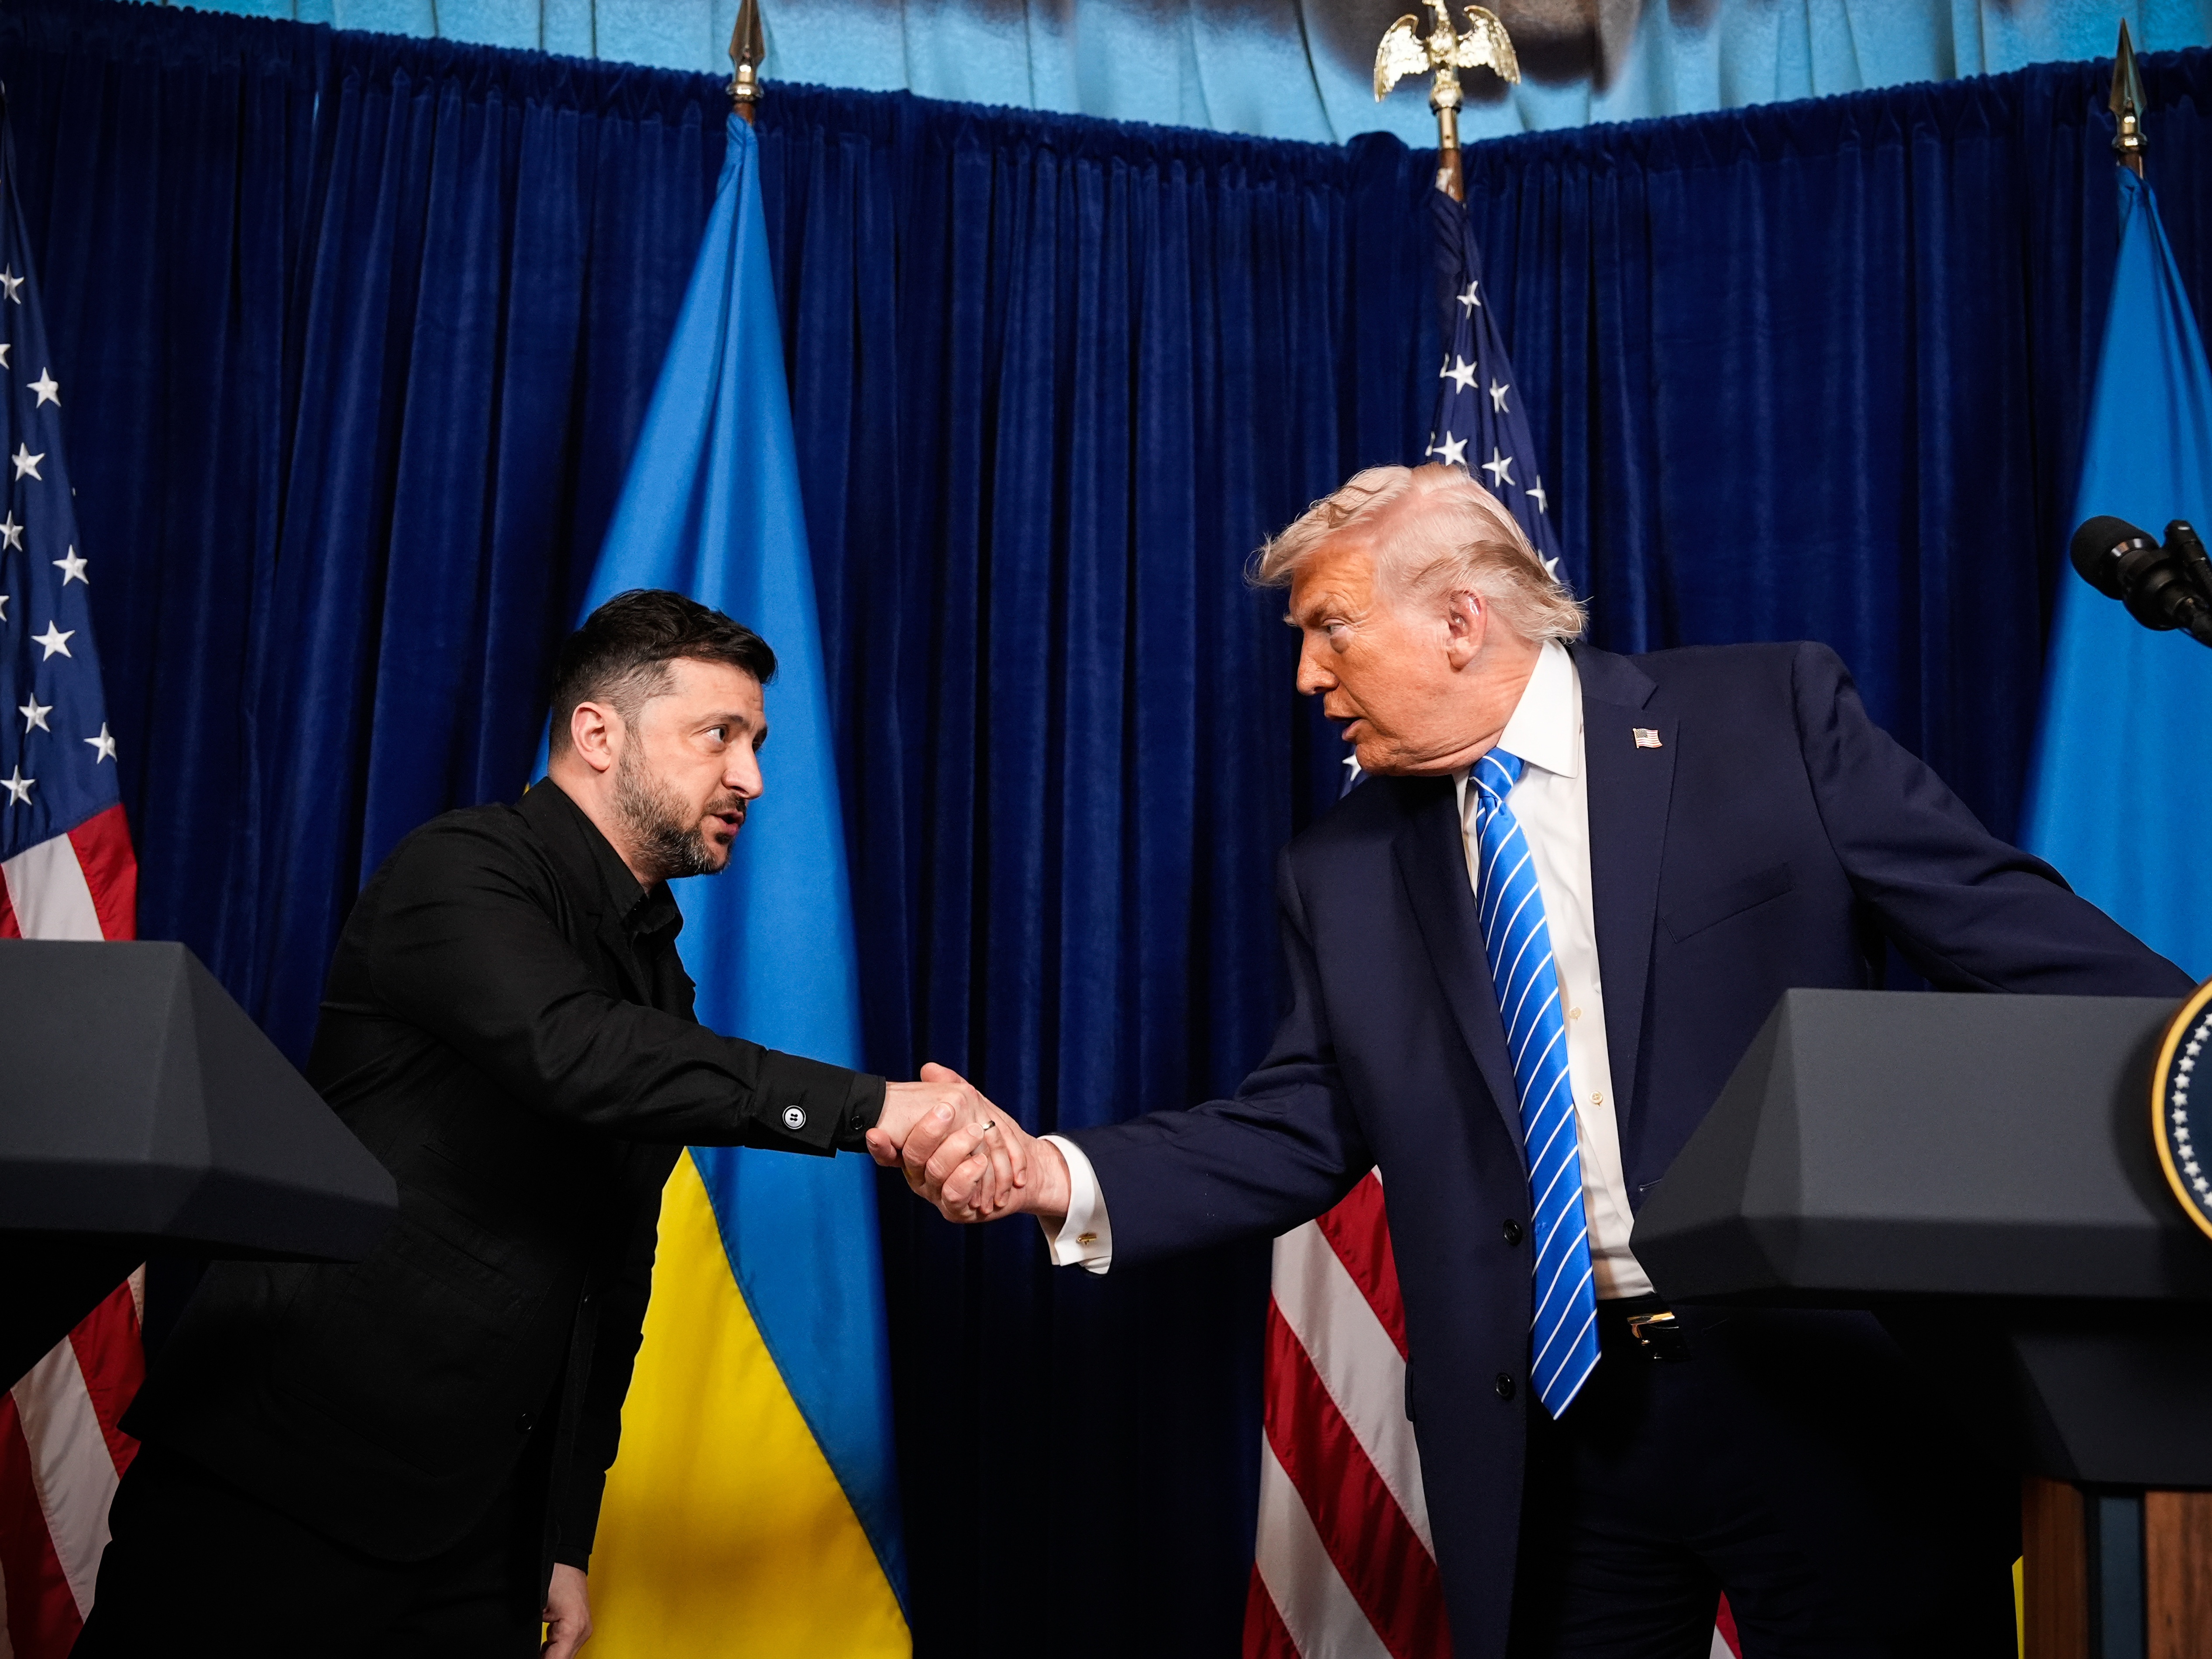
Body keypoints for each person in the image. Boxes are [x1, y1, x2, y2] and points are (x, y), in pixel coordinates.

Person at [889, 465, 2194, 1659]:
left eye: (1327, 627)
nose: (1304, 676)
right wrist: (1051, 1173)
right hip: (1550, 1438)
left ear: (1460, 621)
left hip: (1822, 1396)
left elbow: (2022, 947)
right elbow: (1301, 1125)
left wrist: (2194, 1087)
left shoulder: (1767, 717)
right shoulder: (1336, 868)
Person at [77, 589, 1021, 1658]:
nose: (751, 777)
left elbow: (607, 1277)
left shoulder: (658, 976)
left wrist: (561, 1537)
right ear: (597, 733)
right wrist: (876, 1106)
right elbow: (575, 1051)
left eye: (756, 743)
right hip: (283, 1484)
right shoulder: (460, 868)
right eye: (721, 735)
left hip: (483, 1533)